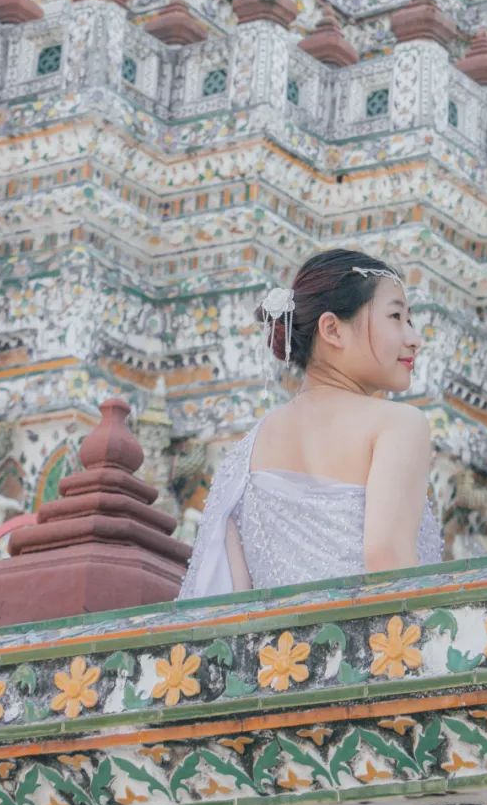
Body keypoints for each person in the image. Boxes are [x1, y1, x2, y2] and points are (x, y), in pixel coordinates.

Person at [178, 250, 442, 598]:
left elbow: (225, 602)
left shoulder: (245, 453)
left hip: (278, 653)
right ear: (332, 329)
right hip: (379, 645)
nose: (414, 338)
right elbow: (388, 560)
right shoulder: (398, 424)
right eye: (396, 316)